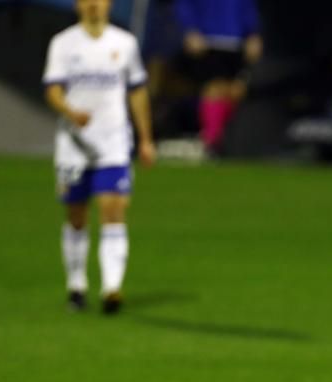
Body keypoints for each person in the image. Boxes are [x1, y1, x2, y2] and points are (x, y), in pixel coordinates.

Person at [43, 0, 156, 314]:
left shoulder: (125, 43)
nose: (94, 5)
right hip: (74, 147)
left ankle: (111, 288)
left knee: (113, 209)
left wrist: (146, 138)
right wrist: (69, 111)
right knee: (76, 215)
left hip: (113, 144)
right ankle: (77, 285)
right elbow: (53, 89)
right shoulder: (64, 43)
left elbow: (137, 91)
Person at [175, 0, 261, 154]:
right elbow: (184, 4)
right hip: (208, 40)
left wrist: (253, 33)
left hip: (236, 42)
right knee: (213, 89)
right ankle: (212, 143)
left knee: (235, 91)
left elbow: (248, 6)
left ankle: (227, 143)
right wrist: (189, 28)